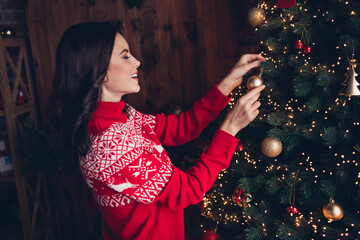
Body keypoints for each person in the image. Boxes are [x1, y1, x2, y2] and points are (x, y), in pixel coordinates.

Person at [51, 21, 265, 240]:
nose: (137, 62)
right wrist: (229, 129)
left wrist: (229, 81)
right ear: (98, 68)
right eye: (125, 56)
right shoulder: (108, 142)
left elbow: (182, 127)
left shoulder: (123, 114)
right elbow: (188, 190)